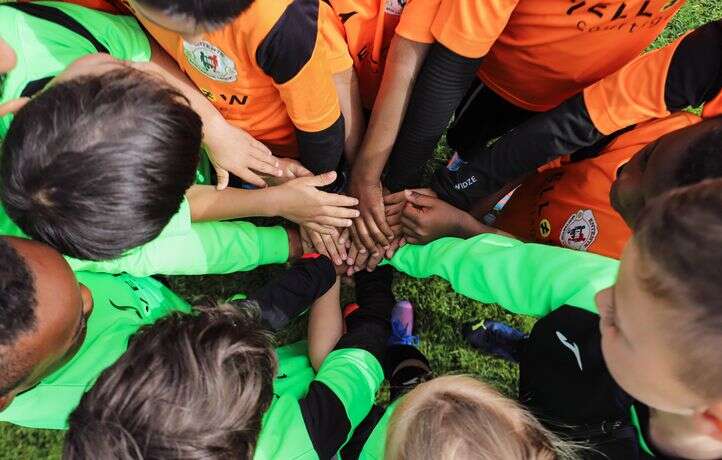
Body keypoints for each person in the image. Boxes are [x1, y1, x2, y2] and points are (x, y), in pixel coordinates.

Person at [384, 179, 722, 459]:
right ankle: (520, 346)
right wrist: (398, 251)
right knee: (549, 347)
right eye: (617, 280)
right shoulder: (643, 296)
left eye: (619, 320)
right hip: (555, 372)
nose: (600, 297)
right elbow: (507, 267)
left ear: (714, 417)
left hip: (558, 422)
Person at [0, 2, 359, 263]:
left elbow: (136, 53)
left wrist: (215, 129)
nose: (198, 39)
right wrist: (275, 205)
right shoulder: (51, 205)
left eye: (120, 69)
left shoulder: (45, 30)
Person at [348, 0, 689, 254]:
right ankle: (460, 164)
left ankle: (463, 179)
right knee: (469, 136)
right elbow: (448, 69)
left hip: (584, 93)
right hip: (500, 76)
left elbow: (555, 138)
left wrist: (459, 210)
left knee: (514, 153)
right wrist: (399, 187)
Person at [0, 234, 338, 429]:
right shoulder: (113, 393)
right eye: (79, 326)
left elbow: (166, 245)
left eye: (76, 279)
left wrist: (283, 242)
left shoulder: (26, 251)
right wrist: (318, 273)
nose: (87, 295)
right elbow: (213, 344)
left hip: (161, 310)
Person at [63, 268, 398, 459]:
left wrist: (324, 274)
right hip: (342, 414)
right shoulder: (302, 442)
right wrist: (373, 291)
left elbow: (218, 335)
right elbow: (358, 366)